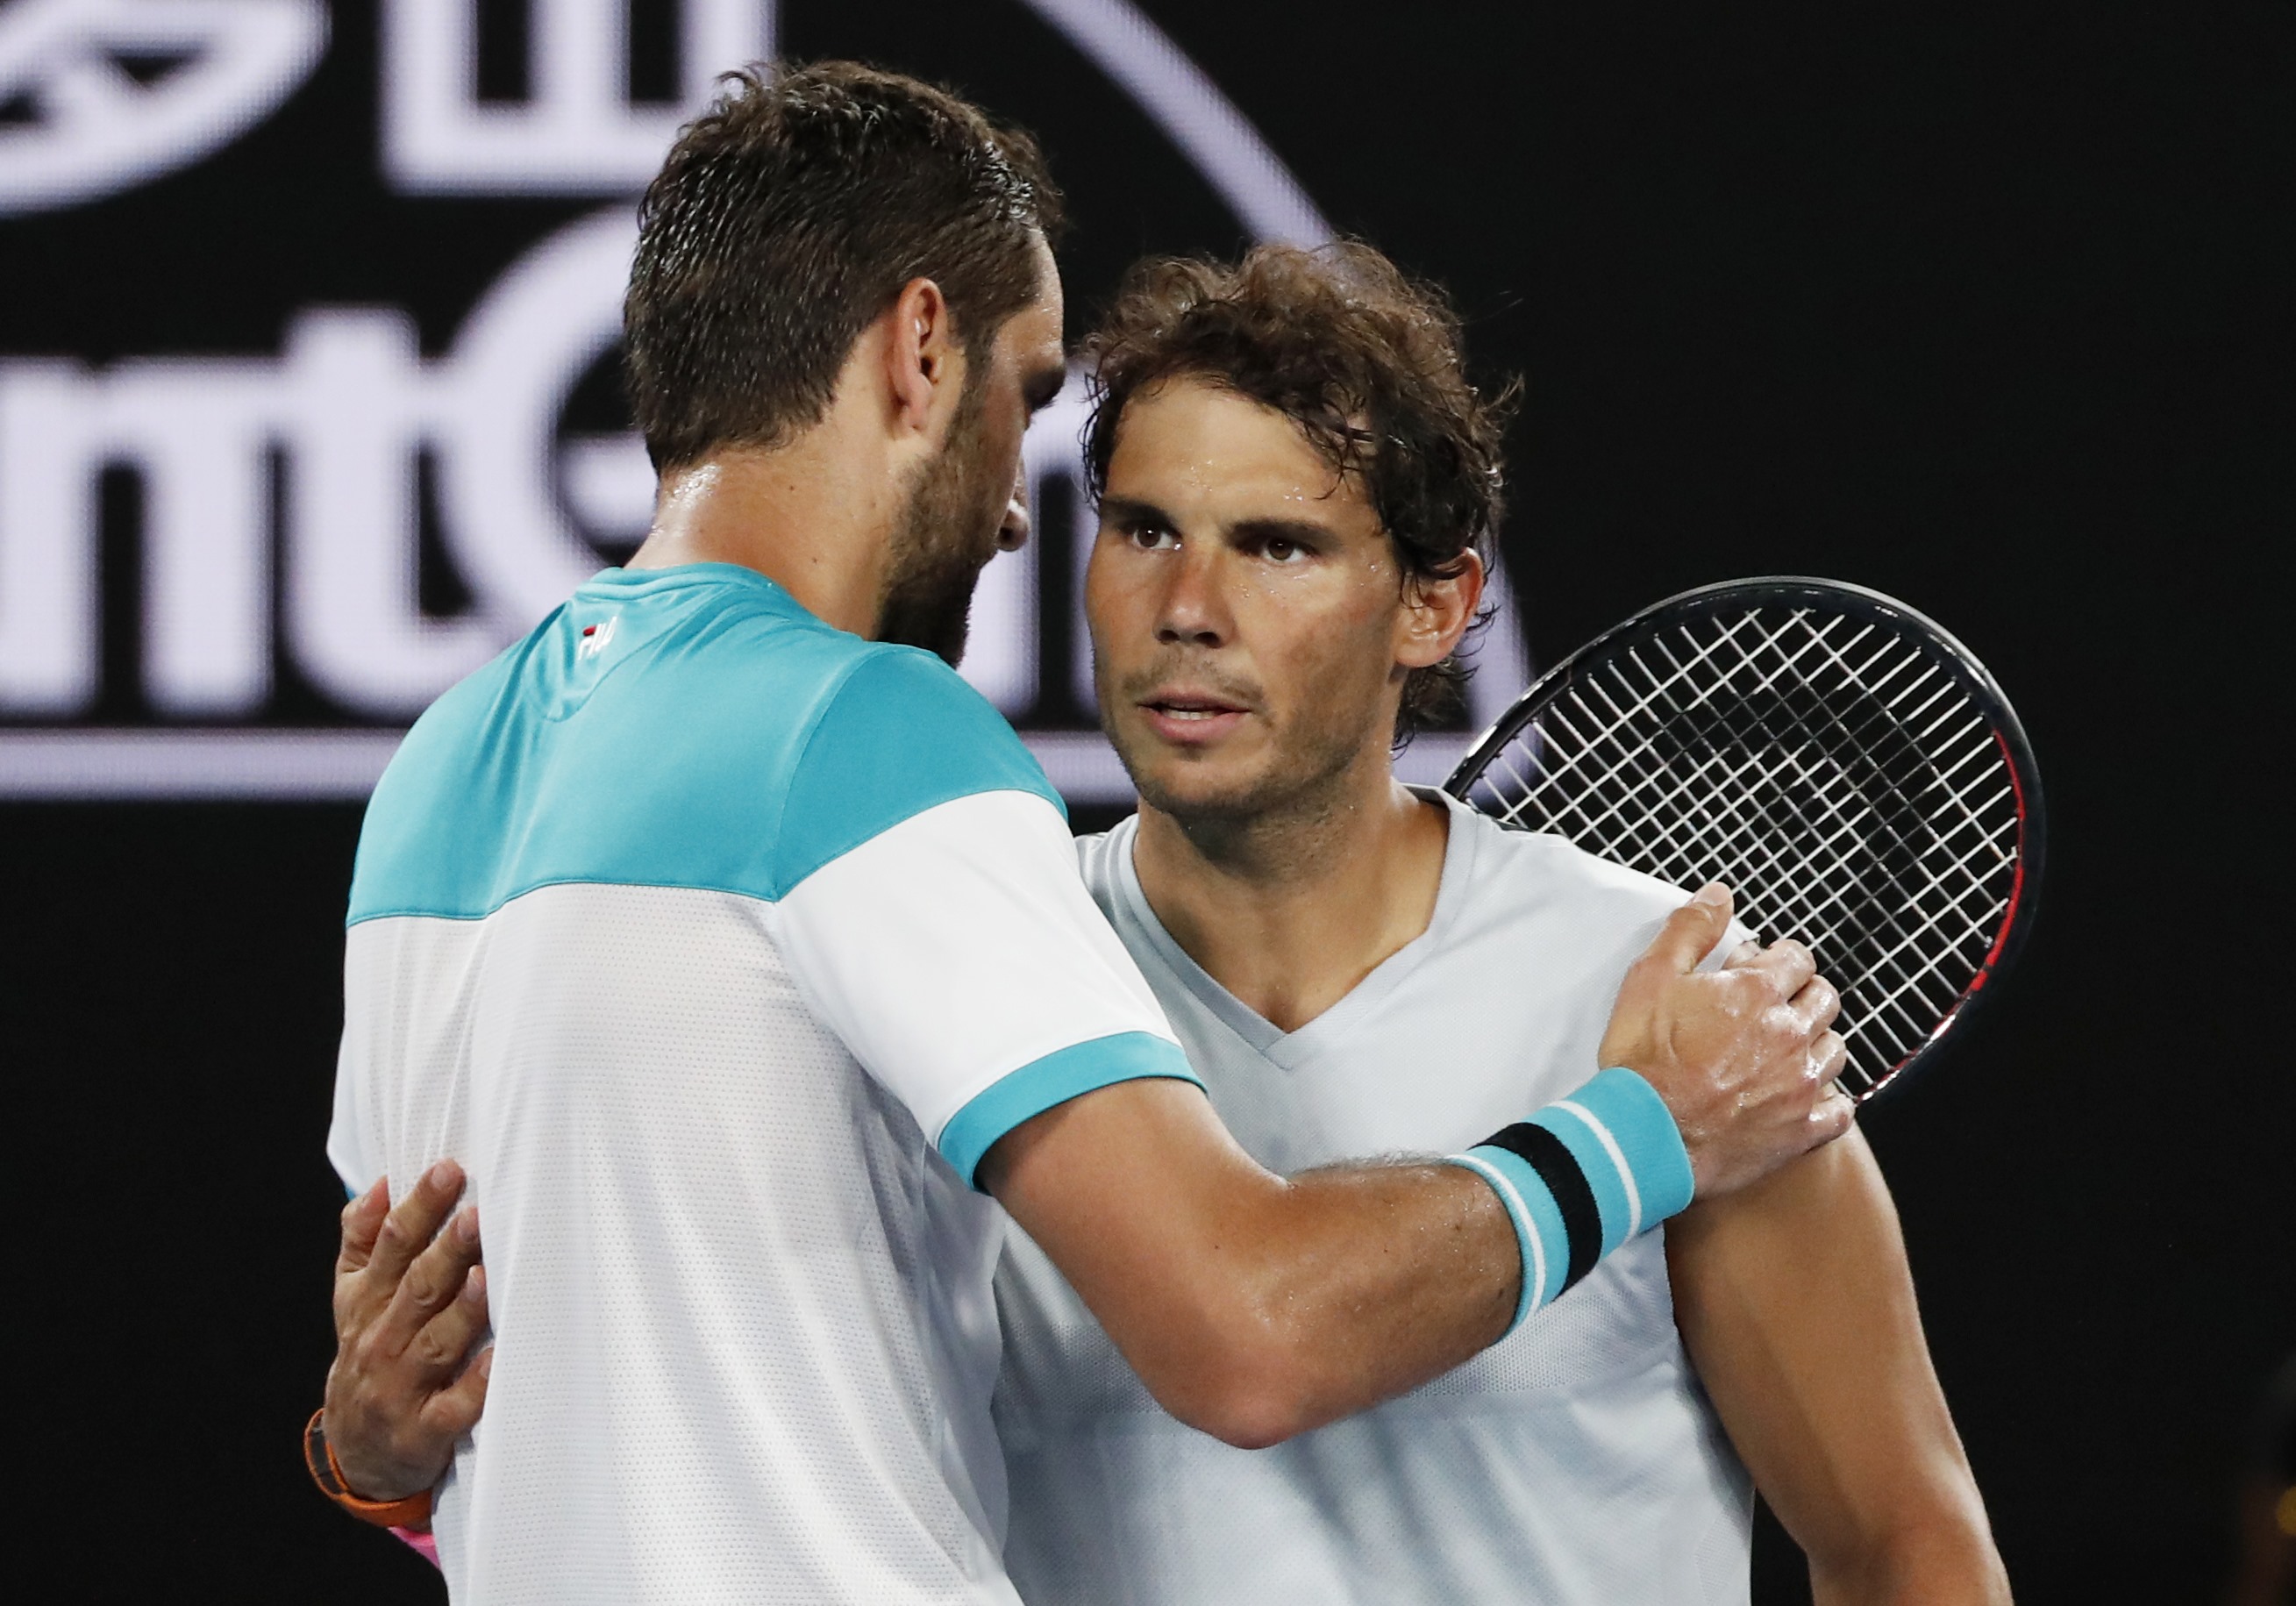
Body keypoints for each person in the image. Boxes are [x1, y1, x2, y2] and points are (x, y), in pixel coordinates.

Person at [310, 61, 1850, 1606]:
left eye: (1277, 544)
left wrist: (369, 1470)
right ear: (921, 350)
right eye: (1030, 402)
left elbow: (528, 1444)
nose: (1012, 512)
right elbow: (1247, 1338)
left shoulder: (438, 777)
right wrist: (1652, 1129)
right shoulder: (870, 735)